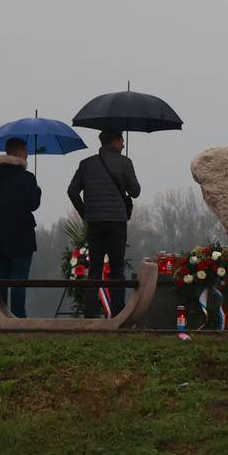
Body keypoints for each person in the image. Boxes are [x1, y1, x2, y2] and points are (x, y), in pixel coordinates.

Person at [67, 128, 141, 317]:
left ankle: (90, 314)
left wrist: (85, 213)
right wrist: (126, 172)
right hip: (117, 222)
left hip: (95, 223)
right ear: (114, 142)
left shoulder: (86, 164)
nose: (123, 145)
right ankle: (117, 314)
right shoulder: (125, 163)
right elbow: (135, 192)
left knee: (95, 270)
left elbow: (72, 191)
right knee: (117, 269)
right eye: (121, 141)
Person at [0, 137, 43, 320]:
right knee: (20, 278)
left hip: (3, 236)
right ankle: (19, 316)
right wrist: (37, 189)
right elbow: (33, 204)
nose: (27, 155)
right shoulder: (27, 178)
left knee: (3, 276)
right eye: (26, 151)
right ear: (20, 153)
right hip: (23, 235)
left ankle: (2, 316)